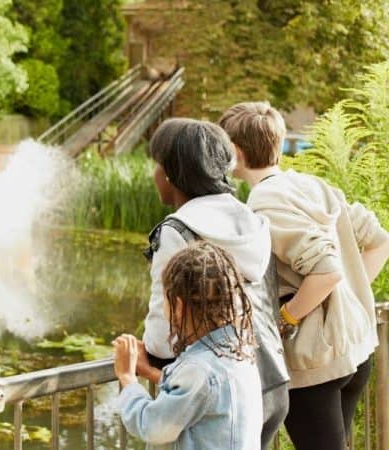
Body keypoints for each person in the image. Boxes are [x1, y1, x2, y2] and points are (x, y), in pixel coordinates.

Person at [219, 101, 389, 450]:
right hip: (354, 351)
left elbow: (326, 272)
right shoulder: (313, 185)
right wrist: (350, 300)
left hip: (314, 362)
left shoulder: (264, 203)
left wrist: (286, 318)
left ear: (235, 151)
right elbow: (379, 242)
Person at [141, 118, 288, 448]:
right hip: (268, 381)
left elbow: (162, 335)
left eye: (158, 166)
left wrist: (142, 361)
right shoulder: (251, 221)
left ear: (173, 174)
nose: (154, 175)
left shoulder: (177, 231)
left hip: (211, 392)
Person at [114, 241, 262, 449]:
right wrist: (150, 372)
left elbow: (153, 426)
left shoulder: (199, 370)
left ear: (179, 306)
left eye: (164, 300)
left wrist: (128, 378)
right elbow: (202, 399)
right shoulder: (239, 351)